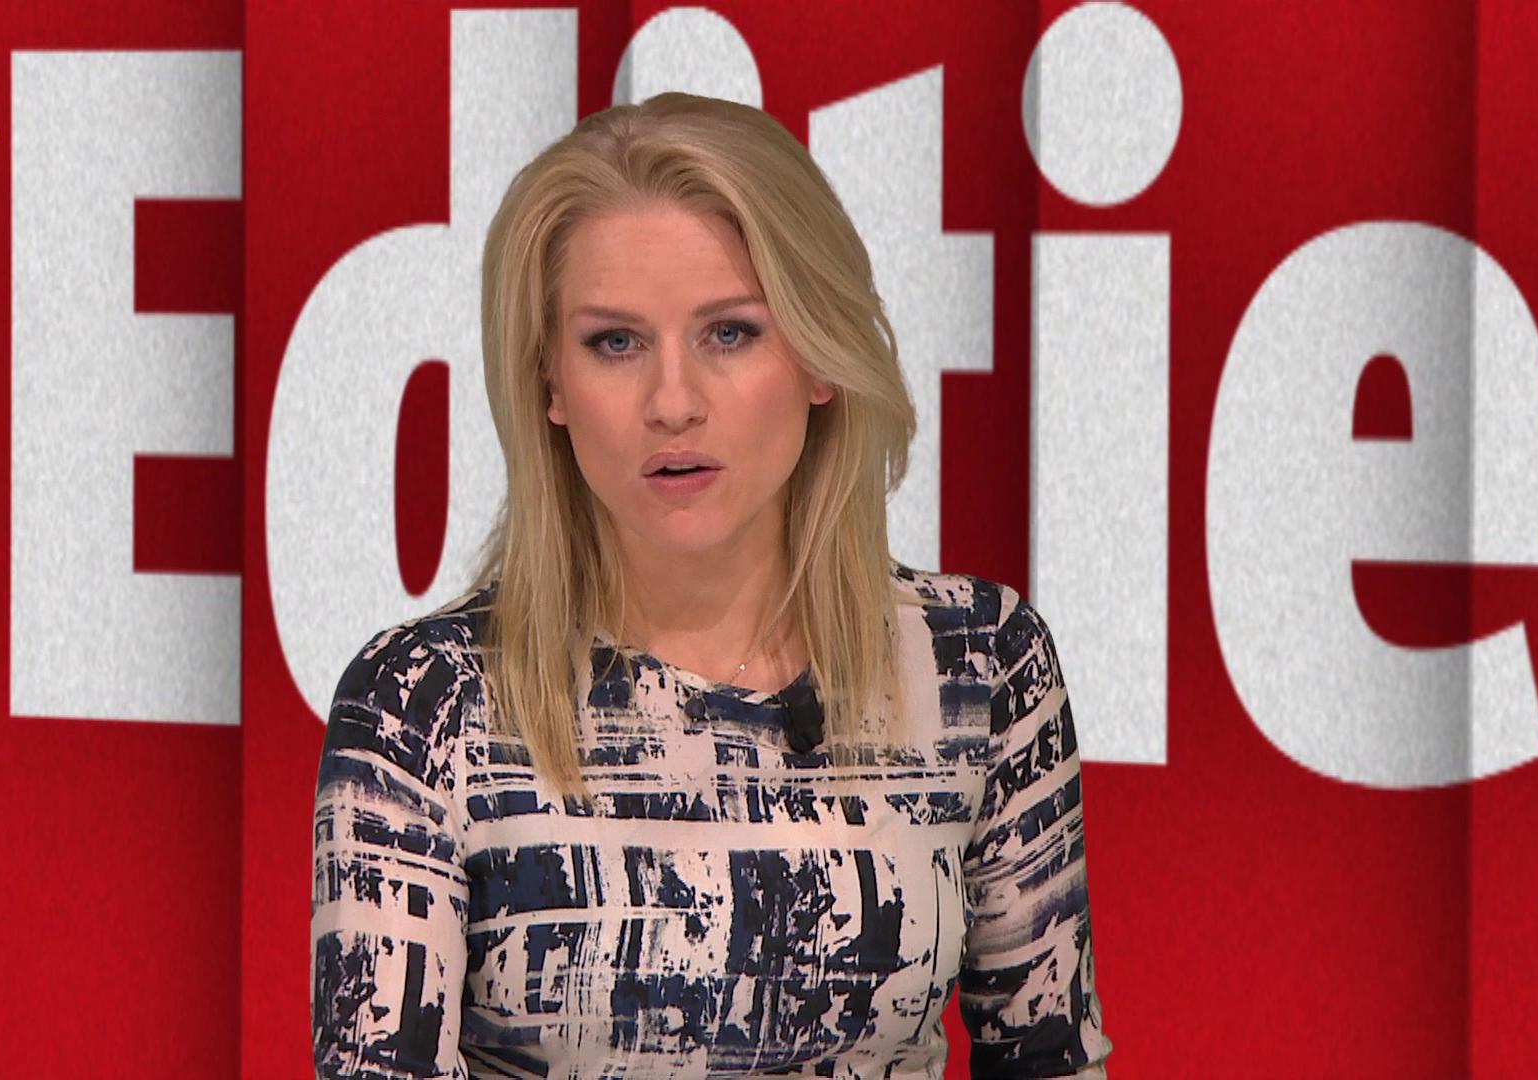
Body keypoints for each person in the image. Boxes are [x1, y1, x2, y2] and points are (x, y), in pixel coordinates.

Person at [310, 91, 1111, 1079]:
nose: (673, 402)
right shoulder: (423, 704)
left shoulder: (980, 666)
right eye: (615, 342)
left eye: (729, 333)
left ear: (819, 354)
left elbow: (1048, 1058)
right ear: (549, 382)